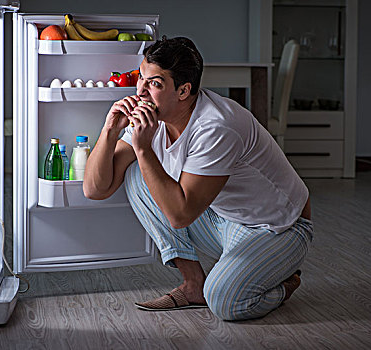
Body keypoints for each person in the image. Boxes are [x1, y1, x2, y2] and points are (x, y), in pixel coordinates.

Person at [83, 36, 313, 321]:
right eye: (141, 77)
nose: (140, 90)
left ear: (183, 91)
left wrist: (142, 148)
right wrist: (109, 130)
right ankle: (193, 285)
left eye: (154, 83)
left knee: (225, 302)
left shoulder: (215, 127)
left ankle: (282, 285)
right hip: (221, 217)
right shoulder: (155, 115)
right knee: (135, 175)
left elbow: (180, 216)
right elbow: (94, 189)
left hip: (277, 227)